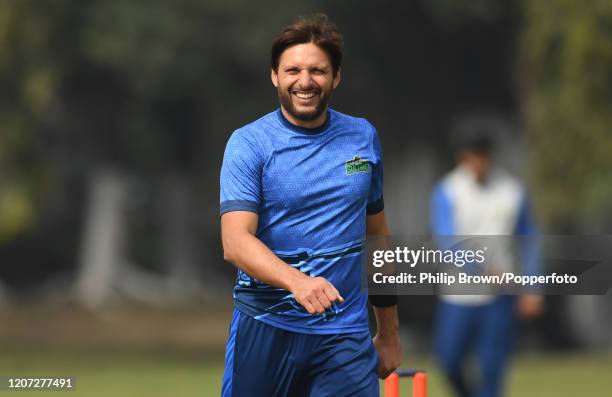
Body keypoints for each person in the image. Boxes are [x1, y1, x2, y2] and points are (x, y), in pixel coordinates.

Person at [219, 14, 401, 397]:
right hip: (266, 325)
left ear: (336, 77)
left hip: (344, 335)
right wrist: (298, 282)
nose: (305, 81)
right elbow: (235, 243)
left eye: (317, 70)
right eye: (293, 70)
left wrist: (387, 332)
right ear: (275, 76)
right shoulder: (249, 143)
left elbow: (379, 239)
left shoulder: (362, 137)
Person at [430, 131, 543, 397]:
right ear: (463, 157)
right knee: (448, 360)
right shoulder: (447, 190)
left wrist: (532, 286)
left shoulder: (512, 191)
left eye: (483, 157)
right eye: (473, 158)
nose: (478, 164)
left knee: (492, 370)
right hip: (458, 295)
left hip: (499, 298)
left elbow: (529, 238)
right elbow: (448, 242)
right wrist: (483, 270)